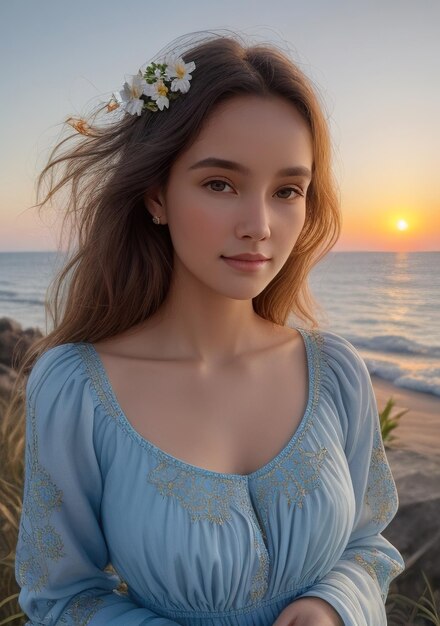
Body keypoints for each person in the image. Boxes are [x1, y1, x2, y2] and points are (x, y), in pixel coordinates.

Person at [14, 29, 405, 626]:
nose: (259, 224)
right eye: (220, 183)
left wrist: (331, 607)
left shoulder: (336, 374)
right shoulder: (76, 392)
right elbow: (60, 599)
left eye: (287, 191)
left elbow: (369, 546)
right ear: (156, 195)